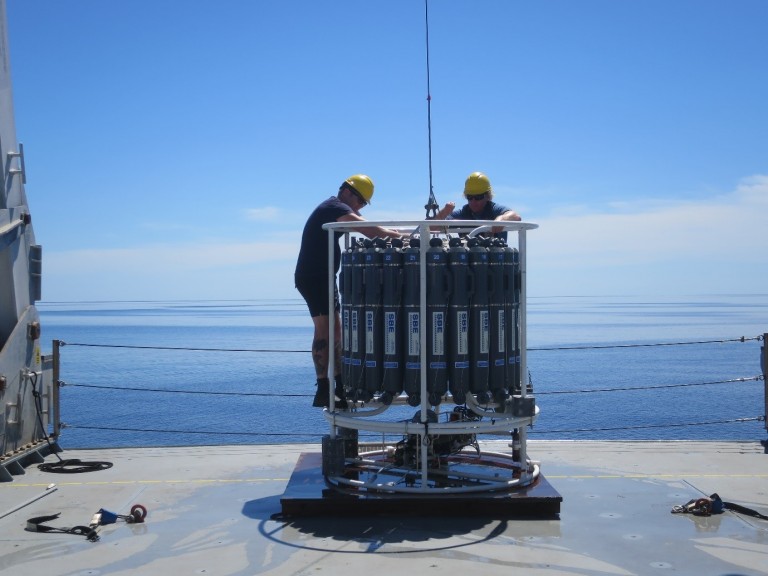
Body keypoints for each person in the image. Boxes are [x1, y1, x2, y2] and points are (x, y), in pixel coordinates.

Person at [295, 174, 401, 409]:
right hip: (316, 276)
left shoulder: (334, 206)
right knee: (326, 330)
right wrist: (400, 237)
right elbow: (369, 230)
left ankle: (337, 385)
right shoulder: (334, 207)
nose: (360, 207)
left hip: (316, 276)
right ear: (350, 194)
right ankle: (326, 388)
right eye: (362, 202)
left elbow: (366, 224)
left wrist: (389, 231)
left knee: (334, 329)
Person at [434, 171, 521, 238]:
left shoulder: (494, 210)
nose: (473, 201)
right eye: (470, 197)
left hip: (495, 260)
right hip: (465, 259)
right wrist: (444, 213)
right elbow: (431, 228)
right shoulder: (462, 213)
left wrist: (501, 219)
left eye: (478, 197)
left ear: (487, 196)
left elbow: (516, 217)